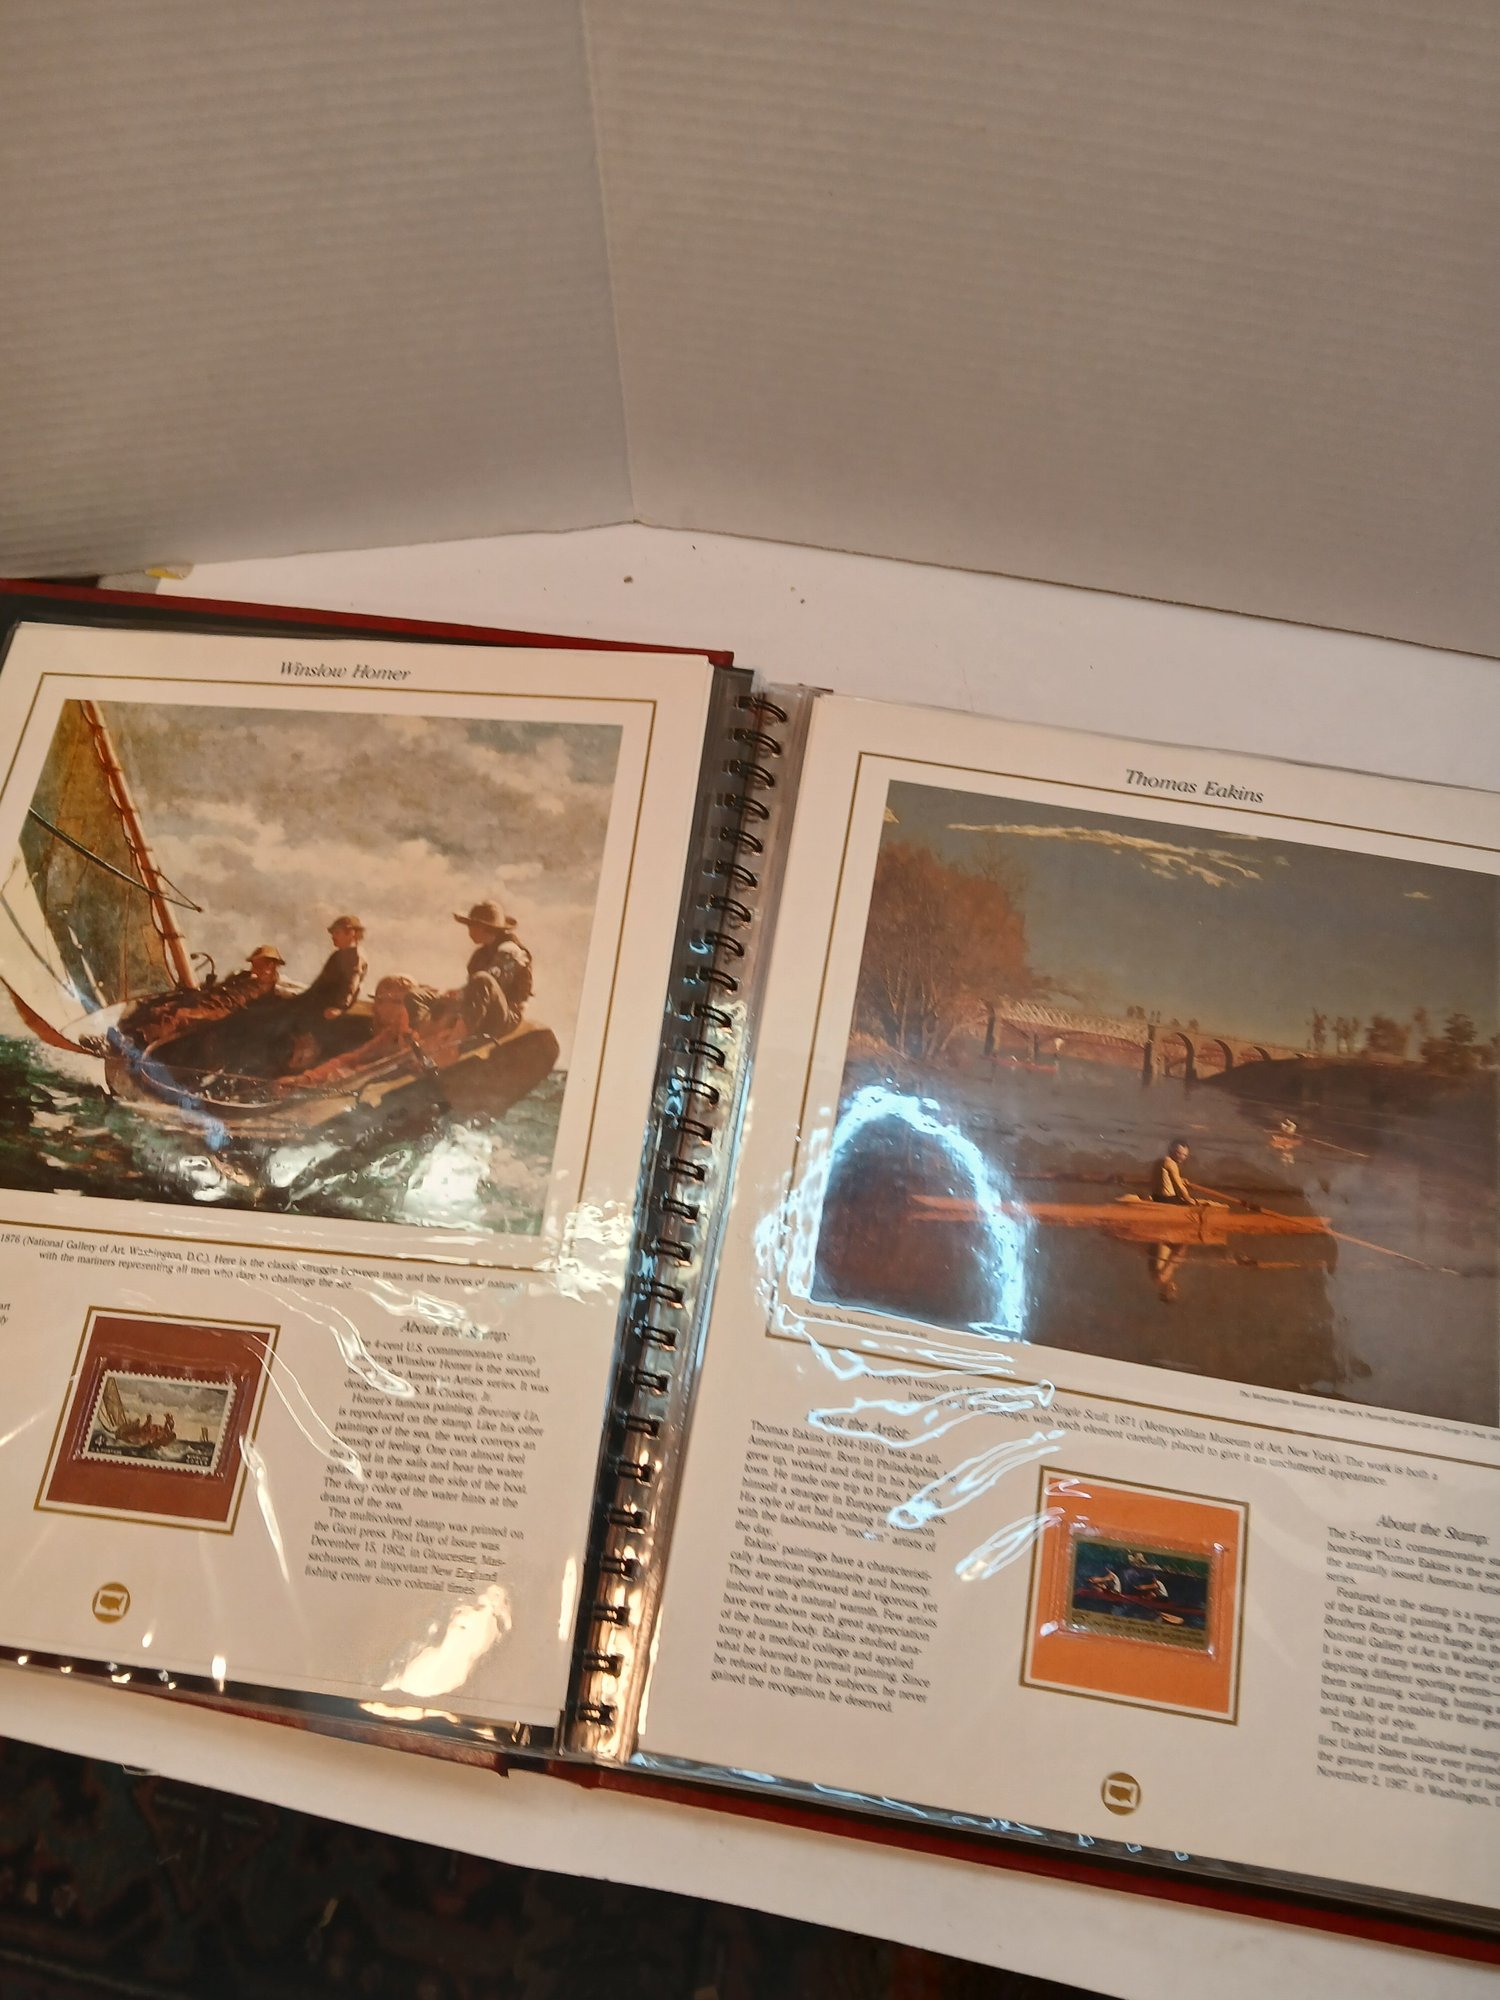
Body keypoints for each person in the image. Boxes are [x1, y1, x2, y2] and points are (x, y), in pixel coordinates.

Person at [452, 898, 533, 1041]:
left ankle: (455, 1041)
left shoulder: (510, 951)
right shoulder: (480, 955)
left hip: (507, 1015)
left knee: (482, 979)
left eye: (473, 926)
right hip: (484, 1011)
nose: (470, 931)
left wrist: (461, 993)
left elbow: (489, 983)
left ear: (485, 928)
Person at [299, 915, 368, 1020]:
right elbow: (320, 984)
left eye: (337, 933)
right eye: (332, 933)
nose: (333, 936)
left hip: (327, 1009)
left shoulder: (355, 957)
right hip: (316, 1002)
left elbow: (351, 985)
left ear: (351, 933)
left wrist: (339, 1007)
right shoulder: (337, 955)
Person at [1151, 1140, 1200, 1205]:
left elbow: (1165, 1179)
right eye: (1178, 1153)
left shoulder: (1159, 1161)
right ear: (1170, 1150)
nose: (1181, 1157)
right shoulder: (1171, 1163)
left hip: (1156, 1197)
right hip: (1167, 1199)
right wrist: (1189, 1199)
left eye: (1184, 1155)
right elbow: (1179, 1187)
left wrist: (1180, 1179)